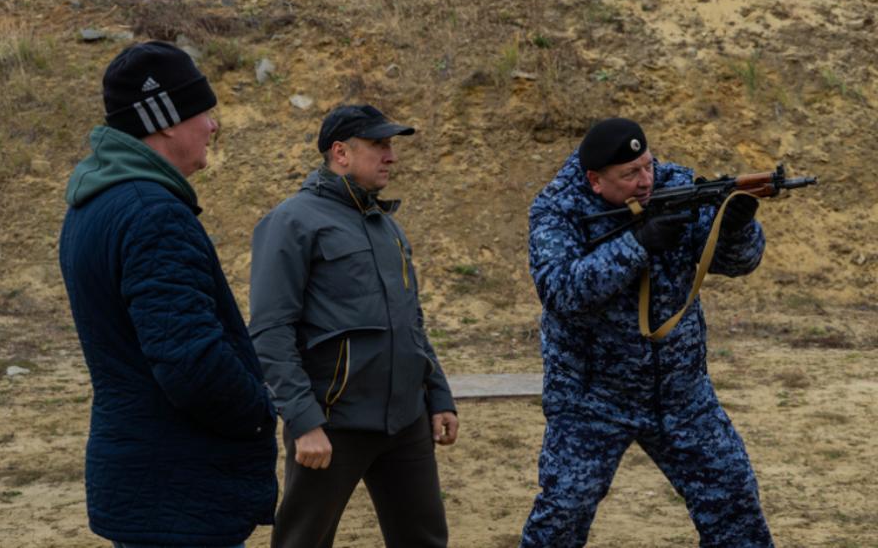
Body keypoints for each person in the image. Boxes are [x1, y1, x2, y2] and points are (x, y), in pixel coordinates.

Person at [59, 40, 278, 548]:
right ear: (165, 122)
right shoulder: (153, 214)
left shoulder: (94, 204)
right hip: (181, 489)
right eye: (203, 111)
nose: (213, 126)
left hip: (147, 479)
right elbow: (190, 361)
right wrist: (258, 410)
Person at [519, 118, 774, 547]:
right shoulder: (558, 209)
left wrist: (736, 229)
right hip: (592, 398)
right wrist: (636, 245)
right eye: (630, 174)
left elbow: (738, 263)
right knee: (563, 514)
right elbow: (561, 291)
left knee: (734, 502)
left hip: (680, 392)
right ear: (595, 180)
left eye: (647, 165)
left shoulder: (675, 185)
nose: (645, 181)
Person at [249, 104, 459, 548]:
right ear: (341, 152)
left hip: (406, 423)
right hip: (332, 425)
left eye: (391, 145)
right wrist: (303, 421)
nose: (391, 156)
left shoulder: (387, 226)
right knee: (303, 542)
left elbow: (411, 322)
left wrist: (437, 395)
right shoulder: (291, 222)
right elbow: (271, 331)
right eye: (379, 145)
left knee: (425, 541)